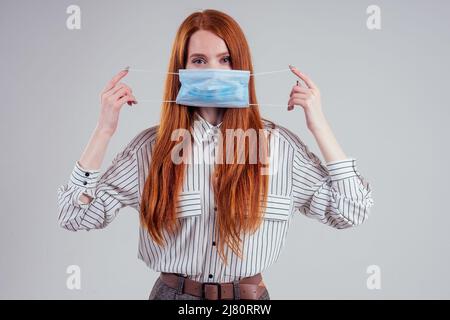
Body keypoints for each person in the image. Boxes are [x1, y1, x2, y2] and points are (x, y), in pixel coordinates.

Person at [57, 9, 374, 300]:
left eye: (225, 60)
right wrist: (103, 131)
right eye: (199, 60)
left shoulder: (279, 146)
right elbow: (74, 216)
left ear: (242, 66)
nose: (214, 71)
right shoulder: (152, 149)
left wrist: (319, 125)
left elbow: (351, 211)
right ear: (181, 70)